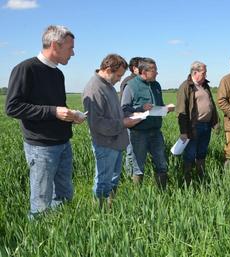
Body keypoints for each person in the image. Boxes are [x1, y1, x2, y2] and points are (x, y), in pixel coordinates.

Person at [5, 25, 85, 218]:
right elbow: (12, 107)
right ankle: (38, 241)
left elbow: (57, 108)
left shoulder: (57, 73)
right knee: (41, 202)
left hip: (63, 142)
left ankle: (61, 235)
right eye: (70, 48)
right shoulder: (26, 69)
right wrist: (54, 111)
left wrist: (72, 116)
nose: (73, 53)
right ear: (55, 46)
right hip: (41, 147)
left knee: (65, 196)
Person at [82, 54, 141, 208]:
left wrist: (131, 115)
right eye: (119, 75)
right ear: (108, 70)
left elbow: (114, 113)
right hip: (105, 143)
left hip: (115, 141)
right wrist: (124, 122)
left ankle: (110, 208)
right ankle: (99, 213)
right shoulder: (94, 89)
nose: (120, 79)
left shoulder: (107, 86)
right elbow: (97, 123)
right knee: (103, 181)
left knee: (113, 179)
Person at [122, 58, 174, 189]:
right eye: (154, 70)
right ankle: (137, 196)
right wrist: (140, 109)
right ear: (144, 71)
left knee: (162, 163)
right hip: (138, 133)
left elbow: (159, 106)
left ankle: (162, 193)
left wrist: (167, 108)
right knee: (138, 166)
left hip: (156, 132)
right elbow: (124, 110)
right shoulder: (131, 86)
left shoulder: (156, 85)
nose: (157, 73)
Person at [175, 61, 219, 184]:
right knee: (190, 153)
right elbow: (181, 111)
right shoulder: (186, 86)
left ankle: (201, 177)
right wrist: (183, 132)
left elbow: (212, 105)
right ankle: (187, 179)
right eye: (203, 73)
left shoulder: (205, 85)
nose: (205, 75)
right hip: (193, 127)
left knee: (202, 152)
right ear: (195, 72)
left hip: (206, 125)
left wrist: (215, 122)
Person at [119, 57, 143, 179]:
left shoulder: (141, 81)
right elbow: (125, 105)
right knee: (130, 151)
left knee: (133, 152)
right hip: (130, 121)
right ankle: (129, 177)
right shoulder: (129, 82)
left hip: (138, 120)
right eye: (142, 66)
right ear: (135, 69)